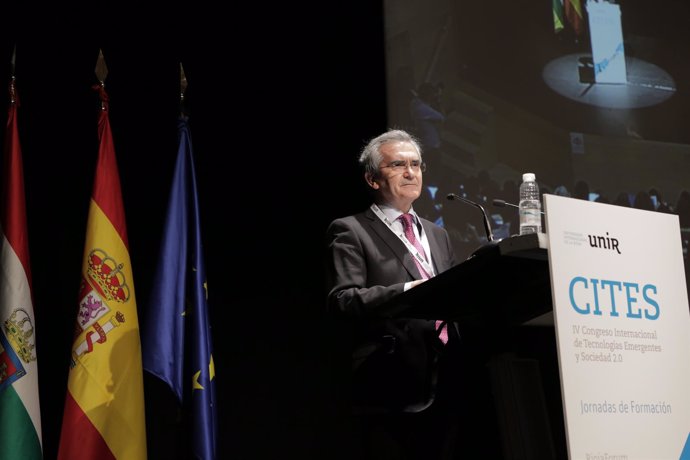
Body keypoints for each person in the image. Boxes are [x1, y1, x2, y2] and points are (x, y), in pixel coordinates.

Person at [325, 129, 472, 459]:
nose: (410, 173)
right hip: (391, 380)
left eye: (416, 164)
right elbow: (343, 300)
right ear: (373, 179)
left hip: (448, 375)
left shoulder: (438, 234)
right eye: (397, 165)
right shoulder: (351, 230)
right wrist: (408, 291)